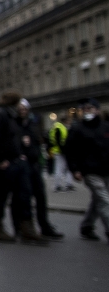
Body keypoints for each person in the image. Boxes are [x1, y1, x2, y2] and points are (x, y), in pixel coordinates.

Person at [0, 90, 47, 244]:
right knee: (0, 198)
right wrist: (0, 160)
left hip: (14, 162)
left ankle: (26, 228)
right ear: (15, 103)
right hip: (3, 165)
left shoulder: (8, 116)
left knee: (23, 195)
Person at [16, 99, 63, 239]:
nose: (23, 111)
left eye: (25, 109)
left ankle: (44, 225)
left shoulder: (33, 123)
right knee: (25, 197)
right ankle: (25, 227)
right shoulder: (15, 124)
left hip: (34, 163)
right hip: (23, 165)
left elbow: (38, 141)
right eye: (20, 109)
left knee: (40, 196)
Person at [64, 98, 109, 241]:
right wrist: (75, 169)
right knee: (104, 200)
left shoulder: (105, 127)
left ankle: (87, 225)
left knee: (98, 199)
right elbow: (70, 151)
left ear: (97, 110)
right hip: (89, 170)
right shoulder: (77, 129)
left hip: (106, 169)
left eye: (90, 109)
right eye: (85, 109)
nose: (87, 111)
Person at [48, 114, 73, 192]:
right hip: (61, 151)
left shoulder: (57, 127)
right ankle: (60, 185)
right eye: (68, 121)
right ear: (65, 121)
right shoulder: (59, 127)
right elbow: (59, 141)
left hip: (59, 151)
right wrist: (63, 150)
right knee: (61, 168)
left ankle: (64, 184)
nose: (69, 122)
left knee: (61, 168)